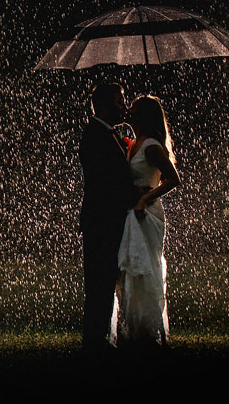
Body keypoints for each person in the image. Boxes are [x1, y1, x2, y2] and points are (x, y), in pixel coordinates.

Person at [112, 95, 180, 348]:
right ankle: (133, 328)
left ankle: (148, 332)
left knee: (145, 268)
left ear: (144, 116)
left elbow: (173, 179)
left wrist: (146, 198)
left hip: (146, 212)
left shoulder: (151, 145)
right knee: (130, 267)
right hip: (133, 211)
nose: (128, 110)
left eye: (134, 108)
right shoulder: (133, 143)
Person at [78, 83, 141, 354]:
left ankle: (97, 338)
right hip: (101, 221)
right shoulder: (94, 135)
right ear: (104, 105)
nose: (123, 107)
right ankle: (93, 341)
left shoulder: (108, 134)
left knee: (105, 279)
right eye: (118, 102)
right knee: (99, 281)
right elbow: (108, 181)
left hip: (108, 220)